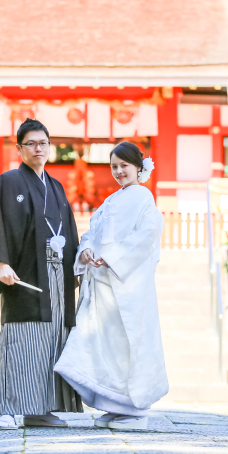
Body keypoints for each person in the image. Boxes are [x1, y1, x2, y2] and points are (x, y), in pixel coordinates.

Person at [54, 141, 168, 430]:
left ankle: (133, 409)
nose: (118, 172)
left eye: (124, 166)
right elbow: (93, 231)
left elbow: (147, 235)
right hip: (102, 283)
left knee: (123, 345)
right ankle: (114, 405)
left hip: (126, 285)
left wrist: (113, 257)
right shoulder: (111, 201)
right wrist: (87, 250)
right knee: (102, 345)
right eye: (114, 167)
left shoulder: (144, 198)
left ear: (138, 168)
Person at [0, 118, 83, 430]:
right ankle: (11, 409)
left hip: (56, 276)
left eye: (43, 143)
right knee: (22, 340)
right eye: (31, 144)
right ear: (19, 149)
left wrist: (76, 268)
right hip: (25, 273)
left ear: (50, 147)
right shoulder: (9, 182)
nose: (38, 149)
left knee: (53, 340)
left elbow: (70, 231)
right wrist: (0, 262)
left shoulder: (56, 187)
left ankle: (41, 409)